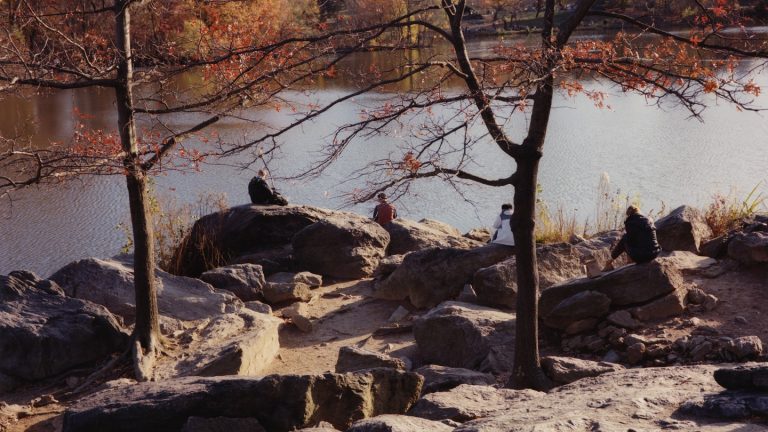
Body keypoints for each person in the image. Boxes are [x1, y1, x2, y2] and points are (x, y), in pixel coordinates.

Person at [604, 205, 661, 270]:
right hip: (655, 253)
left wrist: (613, 256)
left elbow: (630, 241)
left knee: (625, 238)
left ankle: (610, 261)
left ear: (629, 215)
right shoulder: (649, 220)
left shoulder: (631, 222)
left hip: (644, 256)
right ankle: (628, 261)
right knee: (632, 238)